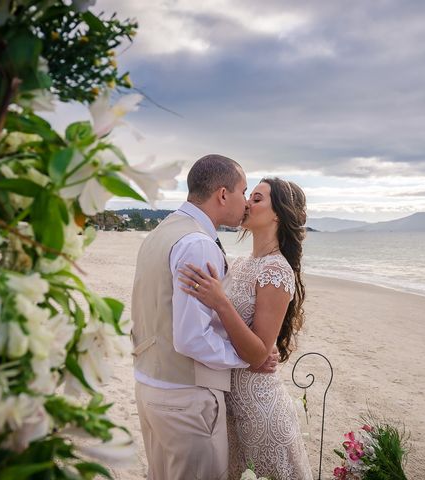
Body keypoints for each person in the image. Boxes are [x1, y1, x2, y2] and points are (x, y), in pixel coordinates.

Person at [131, 154, 277, 480]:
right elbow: (192, 337)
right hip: (184, 398)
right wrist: (248, 358)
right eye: (243, 191)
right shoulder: (197, 243)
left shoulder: (161, 232)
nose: (246, 202)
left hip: (149, 385)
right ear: (223, 194)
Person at [179, 177, 313, 479]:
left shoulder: (276, 269)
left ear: (277, 213)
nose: (248, 203)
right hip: (230, 407)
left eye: (257, 198)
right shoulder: (239, 263)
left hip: (260, 410)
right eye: (249, 195)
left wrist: (220, 302)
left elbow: (256, 354)